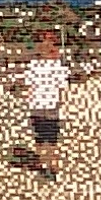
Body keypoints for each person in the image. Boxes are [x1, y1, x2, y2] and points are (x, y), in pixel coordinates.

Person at [20, 30, 72, 181]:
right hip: (43, 105)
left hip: (45, 105)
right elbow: (62, 89)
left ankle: (48, 166)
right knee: (46, 138)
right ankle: (48, 166)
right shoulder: (48, 66)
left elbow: (29, 87)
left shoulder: (41, 66)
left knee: (45, 138)